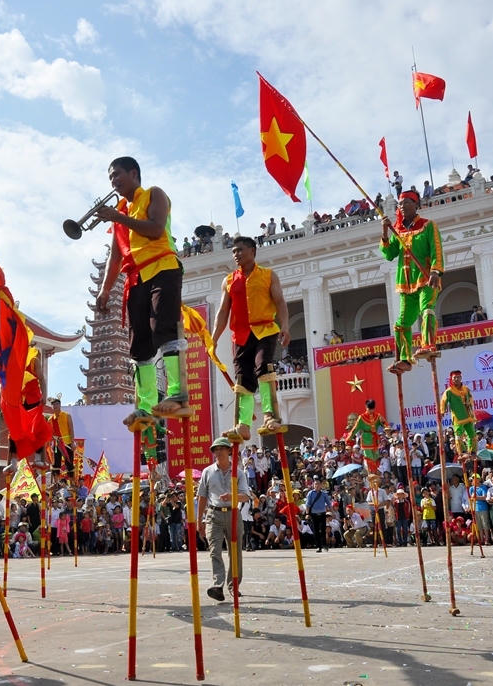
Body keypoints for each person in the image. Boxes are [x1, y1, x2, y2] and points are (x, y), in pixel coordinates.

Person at [95, 156, 189, 435]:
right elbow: (115, 256)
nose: (113, 181)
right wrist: (105, 289)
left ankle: (177, 393)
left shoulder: (154, 194)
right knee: (139, 344)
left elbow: (156, 229)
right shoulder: (121, 211)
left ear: (134, 173)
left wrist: (118, 217)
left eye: (117, 174)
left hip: (163, 267)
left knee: (163, 327)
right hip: (136, 278)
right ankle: (146, 405)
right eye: (110, 177)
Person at [212, 236, 291, 441]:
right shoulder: (228, 280)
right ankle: (243, 424)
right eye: (233, 251)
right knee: (243, 378)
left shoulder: (268, 275)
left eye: (240, 250)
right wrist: (214, 338)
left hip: (264, 330)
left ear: (252, 251)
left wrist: (285, 326)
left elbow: (280, 302)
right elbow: (223, 312)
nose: (236, 254)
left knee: (263, 366)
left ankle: (270, 416)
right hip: (240, 336)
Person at [379, 190, 444, 373]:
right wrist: (385, 230)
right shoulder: (398, 230)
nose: (402, 206)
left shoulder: (428, 225)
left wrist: (436, 271)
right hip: (406, 284)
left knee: (427, 310)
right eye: (400, 203)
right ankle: (405, 359)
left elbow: (436, 249)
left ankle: (428, 345)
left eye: (407, 202)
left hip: (426, 278)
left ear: (416, 205)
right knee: (401, 323)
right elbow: (389, 254)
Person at [197, 436, 251, 601]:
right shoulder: (207, 472)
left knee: (235, 552)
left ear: (229, 451)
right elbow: (202, 497)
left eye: (222, 448)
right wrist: (199, 520)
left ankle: (234, 586)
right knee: (215, 551)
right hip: (214, 515)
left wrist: (232, 496)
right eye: (216, 449)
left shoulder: (238, 473)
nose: (218, 452)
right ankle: (217, 585)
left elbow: (245, 496)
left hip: (233, 514)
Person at [344, 399, 387, 473]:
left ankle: (375, 473)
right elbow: (355, 429)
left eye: (372, 409)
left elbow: (385, 423)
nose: (371, 410)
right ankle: (371, 474)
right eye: (369, 409)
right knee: (369, 458)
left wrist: (387, 428)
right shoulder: (362, 417)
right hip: (366, 440)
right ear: (366, 407)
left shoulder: (378, 416)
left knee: (376, 458)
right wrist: (349, 438)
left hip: (375, 440)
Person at [440, 371, 476, 455]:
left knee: (472, 434)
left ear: (461, 378)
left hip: (468, 415)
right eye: (454, 377)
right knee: (459, 435)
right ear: (451, 379)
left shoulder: (466, 389)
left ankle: (472, 451)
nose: (456, 379)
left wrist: (470, 404)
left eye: (458, 377)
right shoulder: (449, 391)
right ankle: (462, 451)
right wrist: (442, 411)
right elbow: (443, 401)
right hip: (458, 417)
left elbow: (471, 399)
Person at [48, 397, 76, 480]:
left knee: (69, 463)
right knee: (56, 464)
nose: (55, 406)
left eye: (57, 404)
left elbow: (71, 429)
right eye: (53, 404)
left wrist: (72, 442)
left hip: (67, 443)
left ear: (60, 405)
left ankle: (72, 483)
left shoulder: (67, 416)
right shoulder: (50, 419)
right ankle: (56, 483)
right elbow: (50, 433)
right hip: (57, 444)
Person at [304, 477, 328, 552]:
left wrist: (332, 512)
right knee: (316, 531)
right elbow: (308, 505)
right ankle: (319, 546)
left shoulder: (324, 494)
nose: (317, 485)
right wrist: (307, 514)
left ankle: (324, 545)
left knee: (323, 530)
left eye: (318, 484)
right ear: (313, 485)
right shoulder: (310, 493)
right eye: (315, 484)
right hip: (314, 514)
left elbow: (329, 503)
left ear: (321, 485)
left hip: (322, 514)